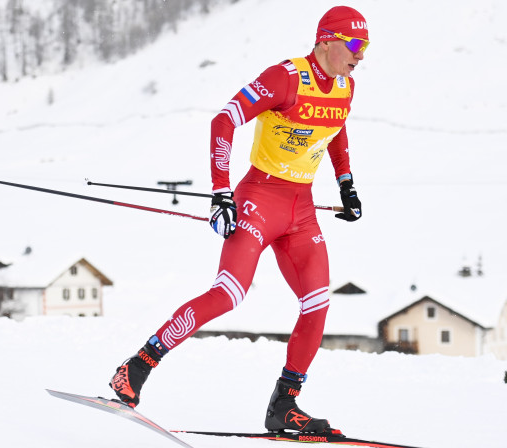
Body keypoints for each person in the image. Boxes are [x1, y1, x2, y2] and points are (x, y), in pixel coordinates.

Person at [109, 5, 369, 434]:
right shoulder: (285, 76)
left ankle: (284, 405)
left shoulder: (346, 85)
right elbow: (225, 120)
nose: (361, 56)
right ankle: (137, 365)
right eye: (355, 45)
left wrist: (346, 184)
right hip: (259, 198)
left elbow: (336, 128)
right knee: (229, 293)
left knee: (318, 303)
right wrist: (220, 193)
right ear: (327, 41)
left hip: (301, 210)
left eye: (367, 47)